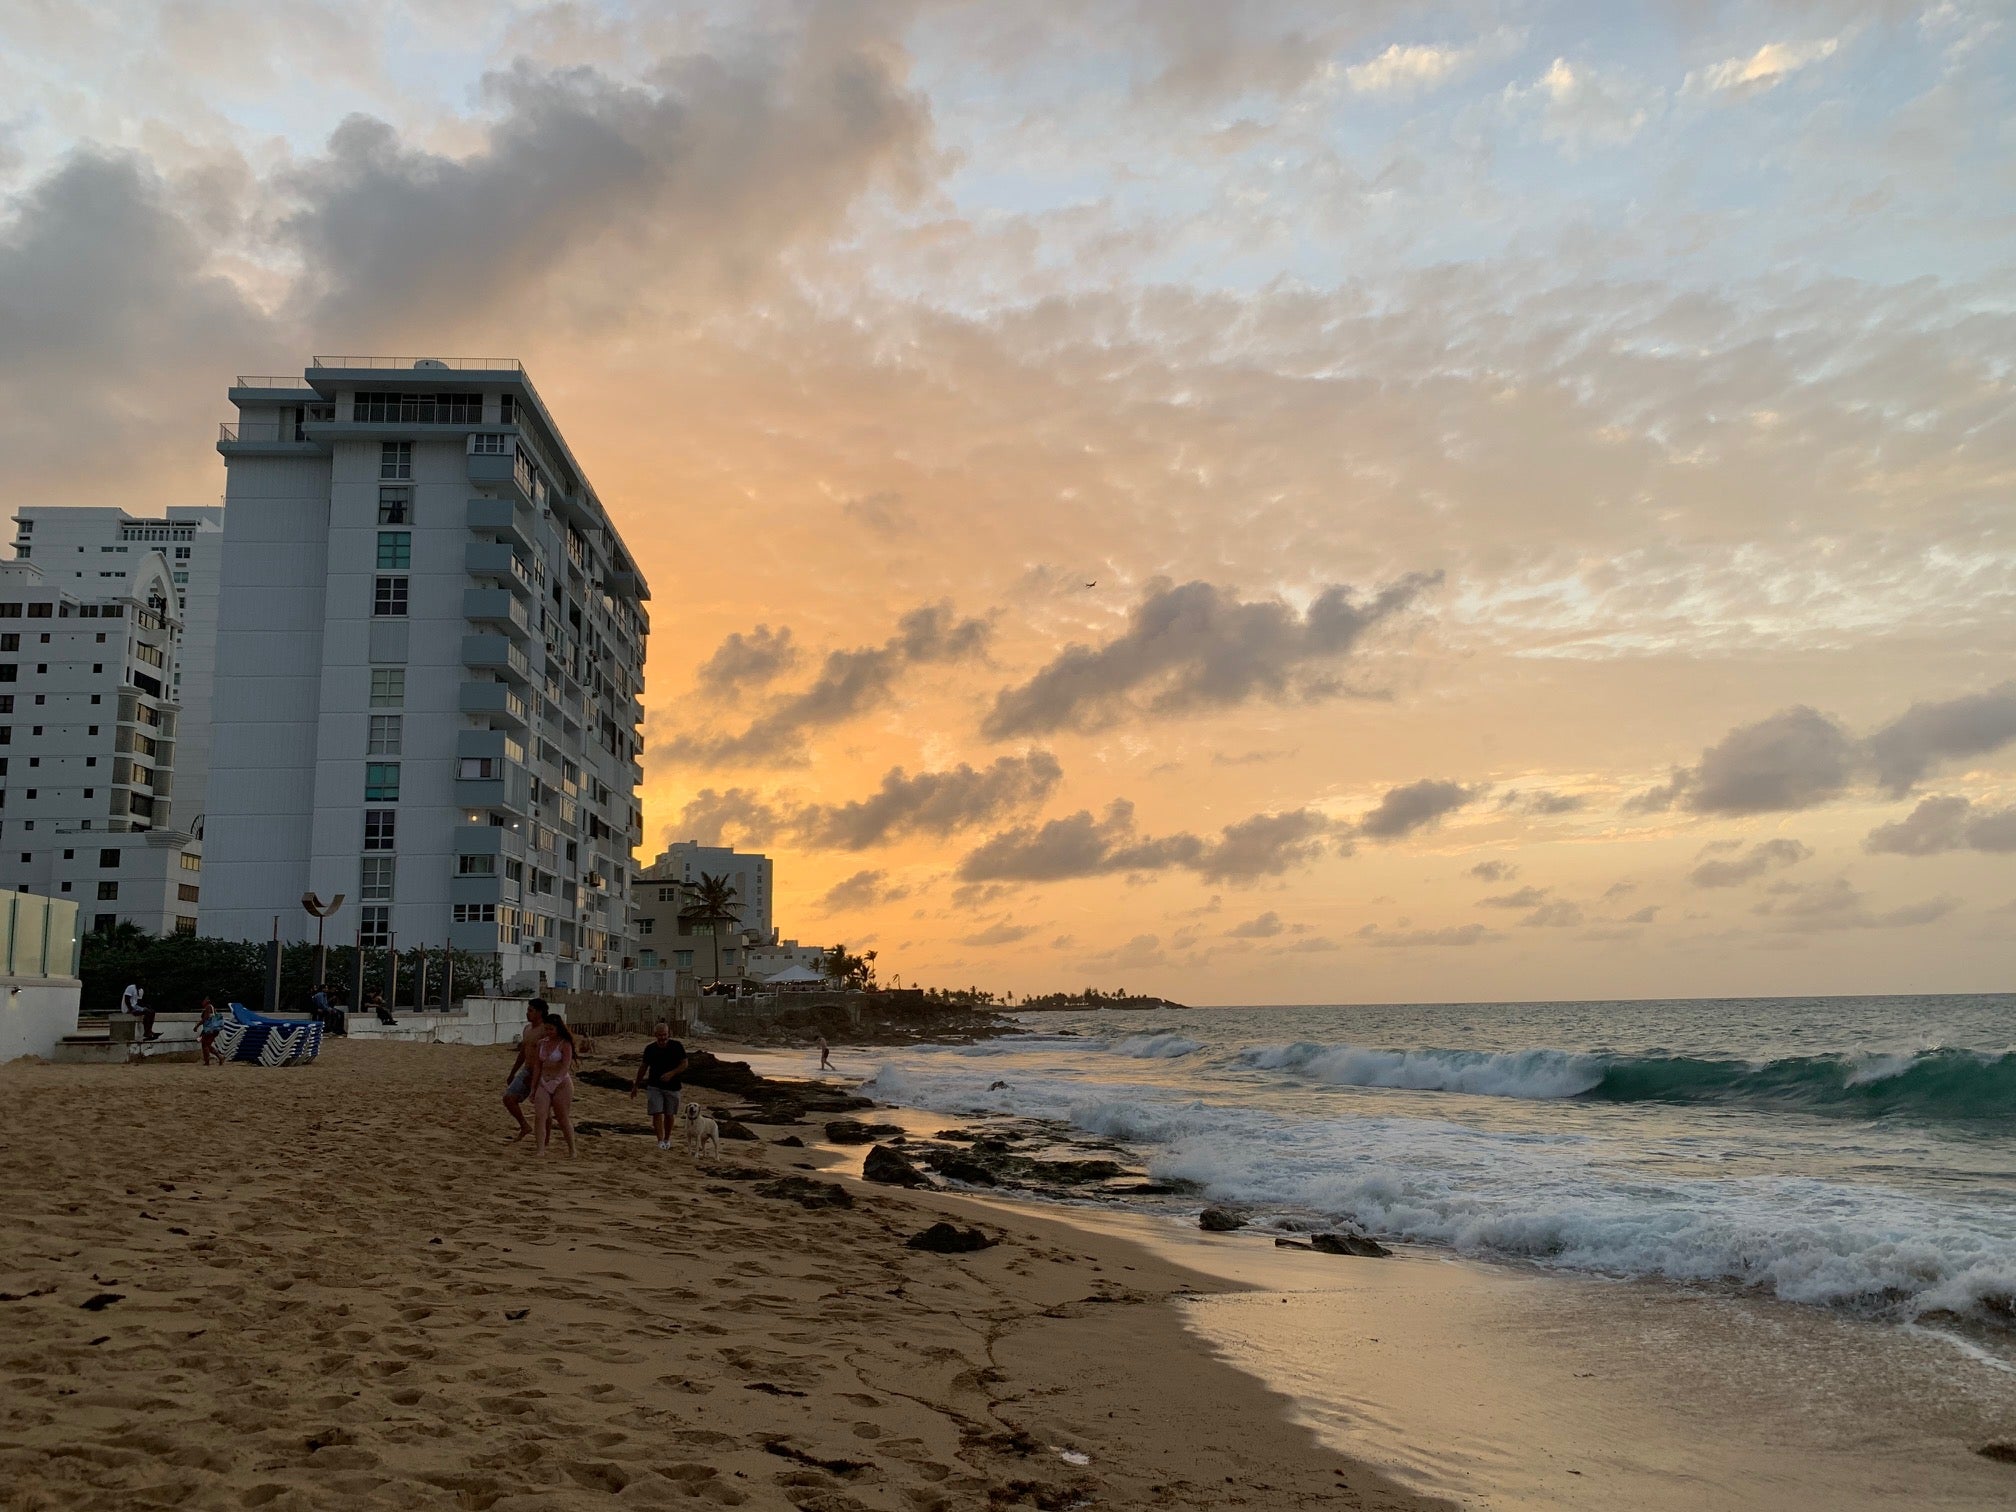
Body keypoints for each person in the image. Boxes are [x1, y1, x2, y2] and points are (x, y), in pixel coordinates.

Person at [630, 1022, 689, 1151]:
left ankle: (667, 1139)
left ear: (669, 1034)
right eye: (660, 1035)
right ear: (655, 1035)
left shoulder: (677, 1046)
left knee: (669, 1114)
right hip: (654, 1086)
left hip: (673, 1086)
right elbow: (643, 1067)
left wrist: (671, 1073)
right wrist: (636, 1085)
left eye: (664, 1035)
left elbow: (684, 1064)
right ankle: (660, 1141)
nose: (662, 1038)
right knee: (656, 1113)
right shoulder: (650, 1049)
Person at [529, 1013, 578, 1157]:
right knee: (540, 1115)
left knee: (562, 1117)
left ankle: (572, 1149)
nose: (548, 1032)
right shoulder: (542, 1043)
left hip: (561, 1084)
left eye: (551, 1029)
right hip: (544, 1081)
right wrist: (533, 1087)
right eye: (546, 1029)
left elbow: (565, 1066)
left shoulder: (565, 1044)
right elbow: (537, 1066)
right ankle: (540, 1149)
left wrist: (556, 1081)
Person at [502, 999, 549, 1141]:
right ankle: (524, 1125)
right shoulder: (527, 1029)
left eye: (530, 1011)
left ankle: (545, 1140)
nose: (527, 1013)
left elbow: (548, 1054)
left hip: (542, 1073)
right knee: (509, 1098)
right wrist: (513, 1072)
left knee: (544, 1108)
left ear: (539, 1012)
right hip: (527, 1069)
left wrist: (538, 1076)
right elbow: (523, 1052)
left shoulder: (545, 1030)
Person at [197, 998, 227, 1066]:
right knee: (207, 1045)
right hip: (212, 1030)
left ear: (207, 1002)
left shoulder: (208, 1007)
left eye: (204, 1001)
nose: (202, 1002)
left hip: (210, 1030)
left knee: (205, 1045)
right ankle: (219, 1057)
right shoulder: (211, 1008)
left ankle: (208, 1061)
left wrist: (197, 1025)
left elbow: (205, 1019)